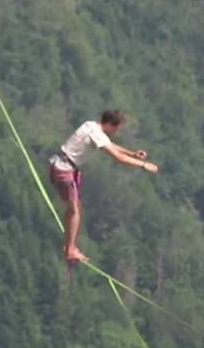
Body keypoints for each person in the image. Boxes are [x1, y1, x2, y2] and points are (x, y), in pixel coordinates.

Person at [48, 110, 159, 262]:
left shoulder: (91, 126)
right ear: (108, 124)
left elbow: (109, 145)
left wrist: (132, 153)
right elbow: (118, 157)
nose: (116, 131)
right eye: (116, 128)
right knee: (74, 210)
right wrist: (143, 164)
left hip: (59, 165)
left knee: (75, 208)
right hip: (64, 170)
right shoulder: (97, 134)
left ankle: (69, 245)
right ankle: (69, 250)